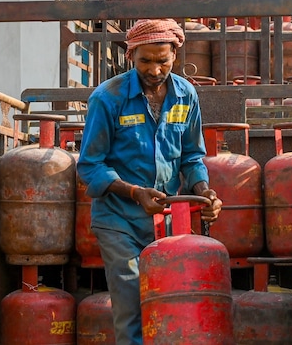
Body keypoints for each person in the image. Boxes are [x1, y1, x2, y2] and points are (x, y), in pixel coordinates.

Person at [77, 18, 222, 345]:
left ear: (175, 56)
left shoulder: (186, 96)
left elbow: (192, 156)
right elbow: (89, 165)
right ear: (131, 56)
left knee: (170, 306)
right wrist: (133, 191)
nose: (155, 70)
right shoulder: (108, 98)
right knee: (131, 307)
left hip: (167, 223)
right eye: (145, 61)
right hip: (119, 221)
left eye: (163, 61)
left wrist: (204, 191)